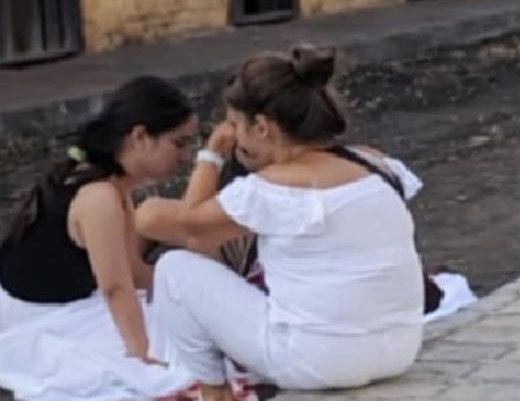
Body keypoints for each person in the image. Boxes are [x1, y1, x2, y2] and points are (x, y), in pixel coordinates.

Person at [152, 45, 427, 401]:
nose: (235, 137)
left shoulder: (273, 188)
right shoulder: (375, 163)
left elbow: (190, 226)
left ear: (263, 127)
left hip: (319, 360)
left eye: (236, 126)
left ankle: (214, 394)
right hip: (399, 350)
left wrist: (212, 154)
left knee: (174, 270)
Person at [0, 75, 200, 401]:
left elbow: (132, 271)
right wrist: (141, 355)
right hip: (39, 314)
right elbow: (116, 287)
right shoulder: (100, 197)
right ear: (140, 137)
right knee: (169, 359)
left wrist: (192, 292)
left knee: (183, 324)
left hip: (64, 300)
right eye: (178, 143)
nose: (184, 156)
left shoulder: (111, 181)